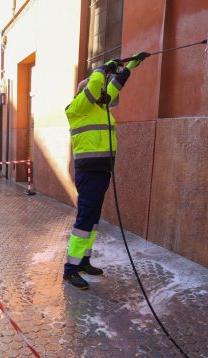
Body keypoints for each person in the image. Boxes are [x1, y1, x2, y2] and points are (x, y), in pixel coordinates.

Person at [62, 54, 145, 289]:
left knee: (93, 218)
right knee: (84, 220)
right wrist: (101, 69)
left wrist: (129, 67)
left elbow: (113, 88)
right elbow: (96, 85)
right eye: (95, 90)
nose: (101, 94)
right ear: (85, 92)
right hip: (88, 173)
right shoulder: (77, 109)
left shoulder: (100, 107)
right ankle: (70, 269)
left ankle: (83, 260)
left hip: (102, 172)